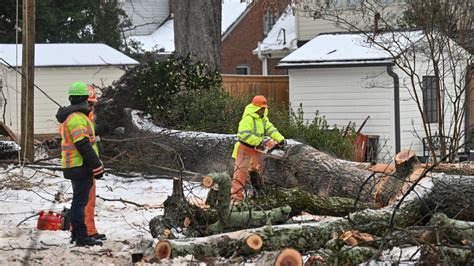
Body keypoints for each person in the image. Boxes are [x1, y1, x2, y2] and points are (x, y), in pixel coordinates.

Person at [56, 82, 104, 247]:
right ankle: (82, 237)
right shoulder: (76, 118)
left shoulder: (76, 117)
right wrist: (96, 165)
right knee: (80, 203)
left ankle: (78, 235)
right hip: (80, 166)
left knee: (79, 201)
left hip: (76, 165)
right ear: (84, 99)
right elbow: (82, 144)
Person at [231, 95, 286, 202]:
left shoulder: (263, 119)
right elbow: (243, 135)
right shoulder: (247, 119)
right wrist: (259, 141)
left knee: (257, 174)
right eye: (262, 108)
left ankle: (256, 196)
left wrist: (280, 139)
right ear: (256, 108)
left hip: (256, 149)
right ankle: (236, 198)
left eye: (264, 108)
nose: (263, 110)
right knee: (240, 175)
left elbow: (271, 129)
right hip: (244, 148)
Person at [83, 85, 106, 241]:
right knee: (85, 200)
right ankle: (86, 231)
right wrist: (95, 163)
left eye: (93, 104)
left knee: (87, 200)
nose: (91, 107)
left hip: (88, 164)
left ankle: (88, 229)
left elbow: (91, 139)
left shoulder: (87, 117)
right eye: (89, 103)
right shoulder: (79, 119)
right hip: (84, 164)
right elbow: (82, 144)